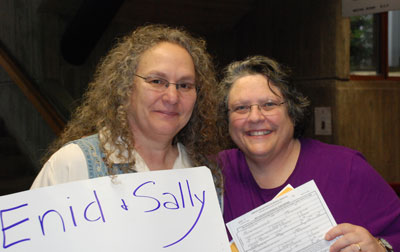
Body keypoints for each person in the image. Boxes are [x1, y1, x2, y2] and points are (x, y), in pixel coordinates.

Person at [216, 55, 400, 251]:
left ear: (293, 112)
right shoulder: (214, 174)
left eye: (269, 104)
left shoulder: (347, 169)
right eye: (241, 108)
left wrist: (381, 247)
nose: (254, 117)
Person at [31, 24, 221, 189]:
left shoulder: (205, 173)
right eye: (156, 81)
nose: (172, 96)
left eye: (185, 85)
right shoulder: (73, 164)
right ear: (126, 87)